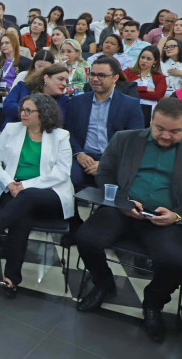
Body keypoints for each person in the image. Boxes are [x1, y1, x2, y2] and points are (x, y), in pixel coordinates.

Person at [75, 98, 182, 343]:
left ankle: (153, 302)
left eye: (175, 131)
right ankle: (103, 283)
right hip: (122, 208)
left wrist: (176, 215)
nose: (166, 136)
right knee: (86, 238)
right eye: (160, 129)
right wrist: (123, 203)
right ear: (151, 121)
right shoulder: (126, 139)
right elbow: (104, 174)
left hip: (164, 217)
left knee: (176, 261)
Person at [0, 94, 74, 296]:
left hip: (50, 194)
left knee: (27, 198)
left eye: (28, 111)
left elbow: (61, 173)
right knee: (21, 217)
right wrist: (9, 183)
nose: (22, 113)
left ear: (43, 114)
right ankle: (11, 279)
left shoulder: (60, 136)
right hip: (14, 190)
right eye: (22, 109)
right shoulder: (13, 130)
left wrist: (24, 185)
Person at [65, 56, 145, 187]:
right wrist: (79, 154)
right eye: (93, 74)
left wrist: (106, 162)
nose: (95, 79)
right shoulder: (77, 102)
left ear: (115, 78)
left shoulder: (130, 105)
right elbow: (69, 132)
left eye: (101, 75)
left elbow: (135, 140)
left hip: (114, 158)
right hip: (83, 157)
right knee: (69, 179)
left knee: (110, 183)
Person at [2, 63, 69, 128]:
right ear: (46, 78)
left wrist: (29, 112)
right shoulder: (23, 87)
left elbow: (58, 122)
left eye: (66, 81)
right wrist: (32, 111)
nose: (64, 84)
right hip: (14, 132)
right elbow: (8, 107)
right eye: (61, 79)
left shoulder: (64, 101)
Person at [0, 33, 32, 104]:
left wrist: (11, 90)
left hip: (15, 93)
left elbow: (26, 83)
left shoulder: (26, 62)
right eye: (2, 44)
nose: (4, 46)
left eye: (7, 43)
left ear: (14, 44)